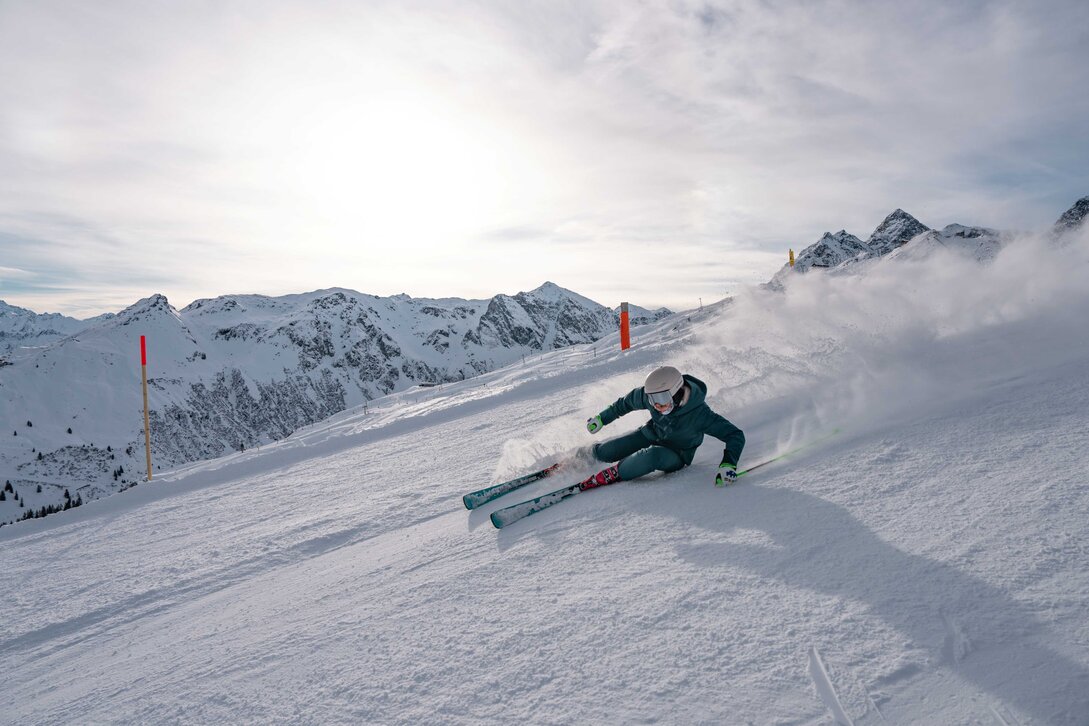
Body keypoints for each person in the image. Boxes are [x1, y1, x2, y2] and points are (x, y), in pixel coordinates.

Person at [580, 365, 745, 490]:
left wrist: (728, 464)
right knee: (609, 450)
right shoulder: (652, 397)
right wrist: (602, 418)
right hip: (651, 434)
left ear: (677, 392)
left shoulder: (700, 414)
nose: (657, 404)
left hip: (677, 453)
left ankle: (616, 472)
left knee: (652, 455)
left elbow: (735, 435)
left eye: (662, 398)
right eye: (652, 399)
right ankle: (580, 457)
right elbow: (625, 403)